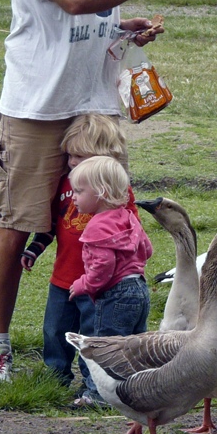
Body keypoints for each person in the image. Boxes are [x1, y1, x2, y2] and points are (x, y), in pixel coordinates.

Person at [0, 0, 210, 382]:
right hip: (39, 108)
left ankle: (96, 348)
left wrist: (122, 27)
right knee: (21, 224)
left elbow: (90, 11)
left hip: (94, 109)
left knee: (99, 223)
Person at [19, 114, 132, 401]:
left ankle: (93, 387)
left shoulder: (119, 192)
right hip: (63, 278)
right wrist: (35, 248)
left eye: (79, 156)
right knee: (55, 329)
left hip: (99, 283)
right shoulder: (64, 186)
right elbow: (54, 227)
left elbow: (130, 231)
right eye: (69, 155)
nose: (71, 162)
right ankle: (55, 378)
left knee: (93, 334)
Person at [63, 155, 152, 406]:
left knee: (104, 346)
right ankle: (136, 390)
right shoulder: (128, 217)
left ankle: (98, 395)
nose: (74, 197)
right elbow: (147, 248)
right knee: (134, 345)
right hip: (139, 289)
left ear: (100, 192)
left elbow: (103, 267)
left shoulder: (96, 226)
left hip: (116, 293)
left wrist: (84, 284)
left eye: (79, 191)